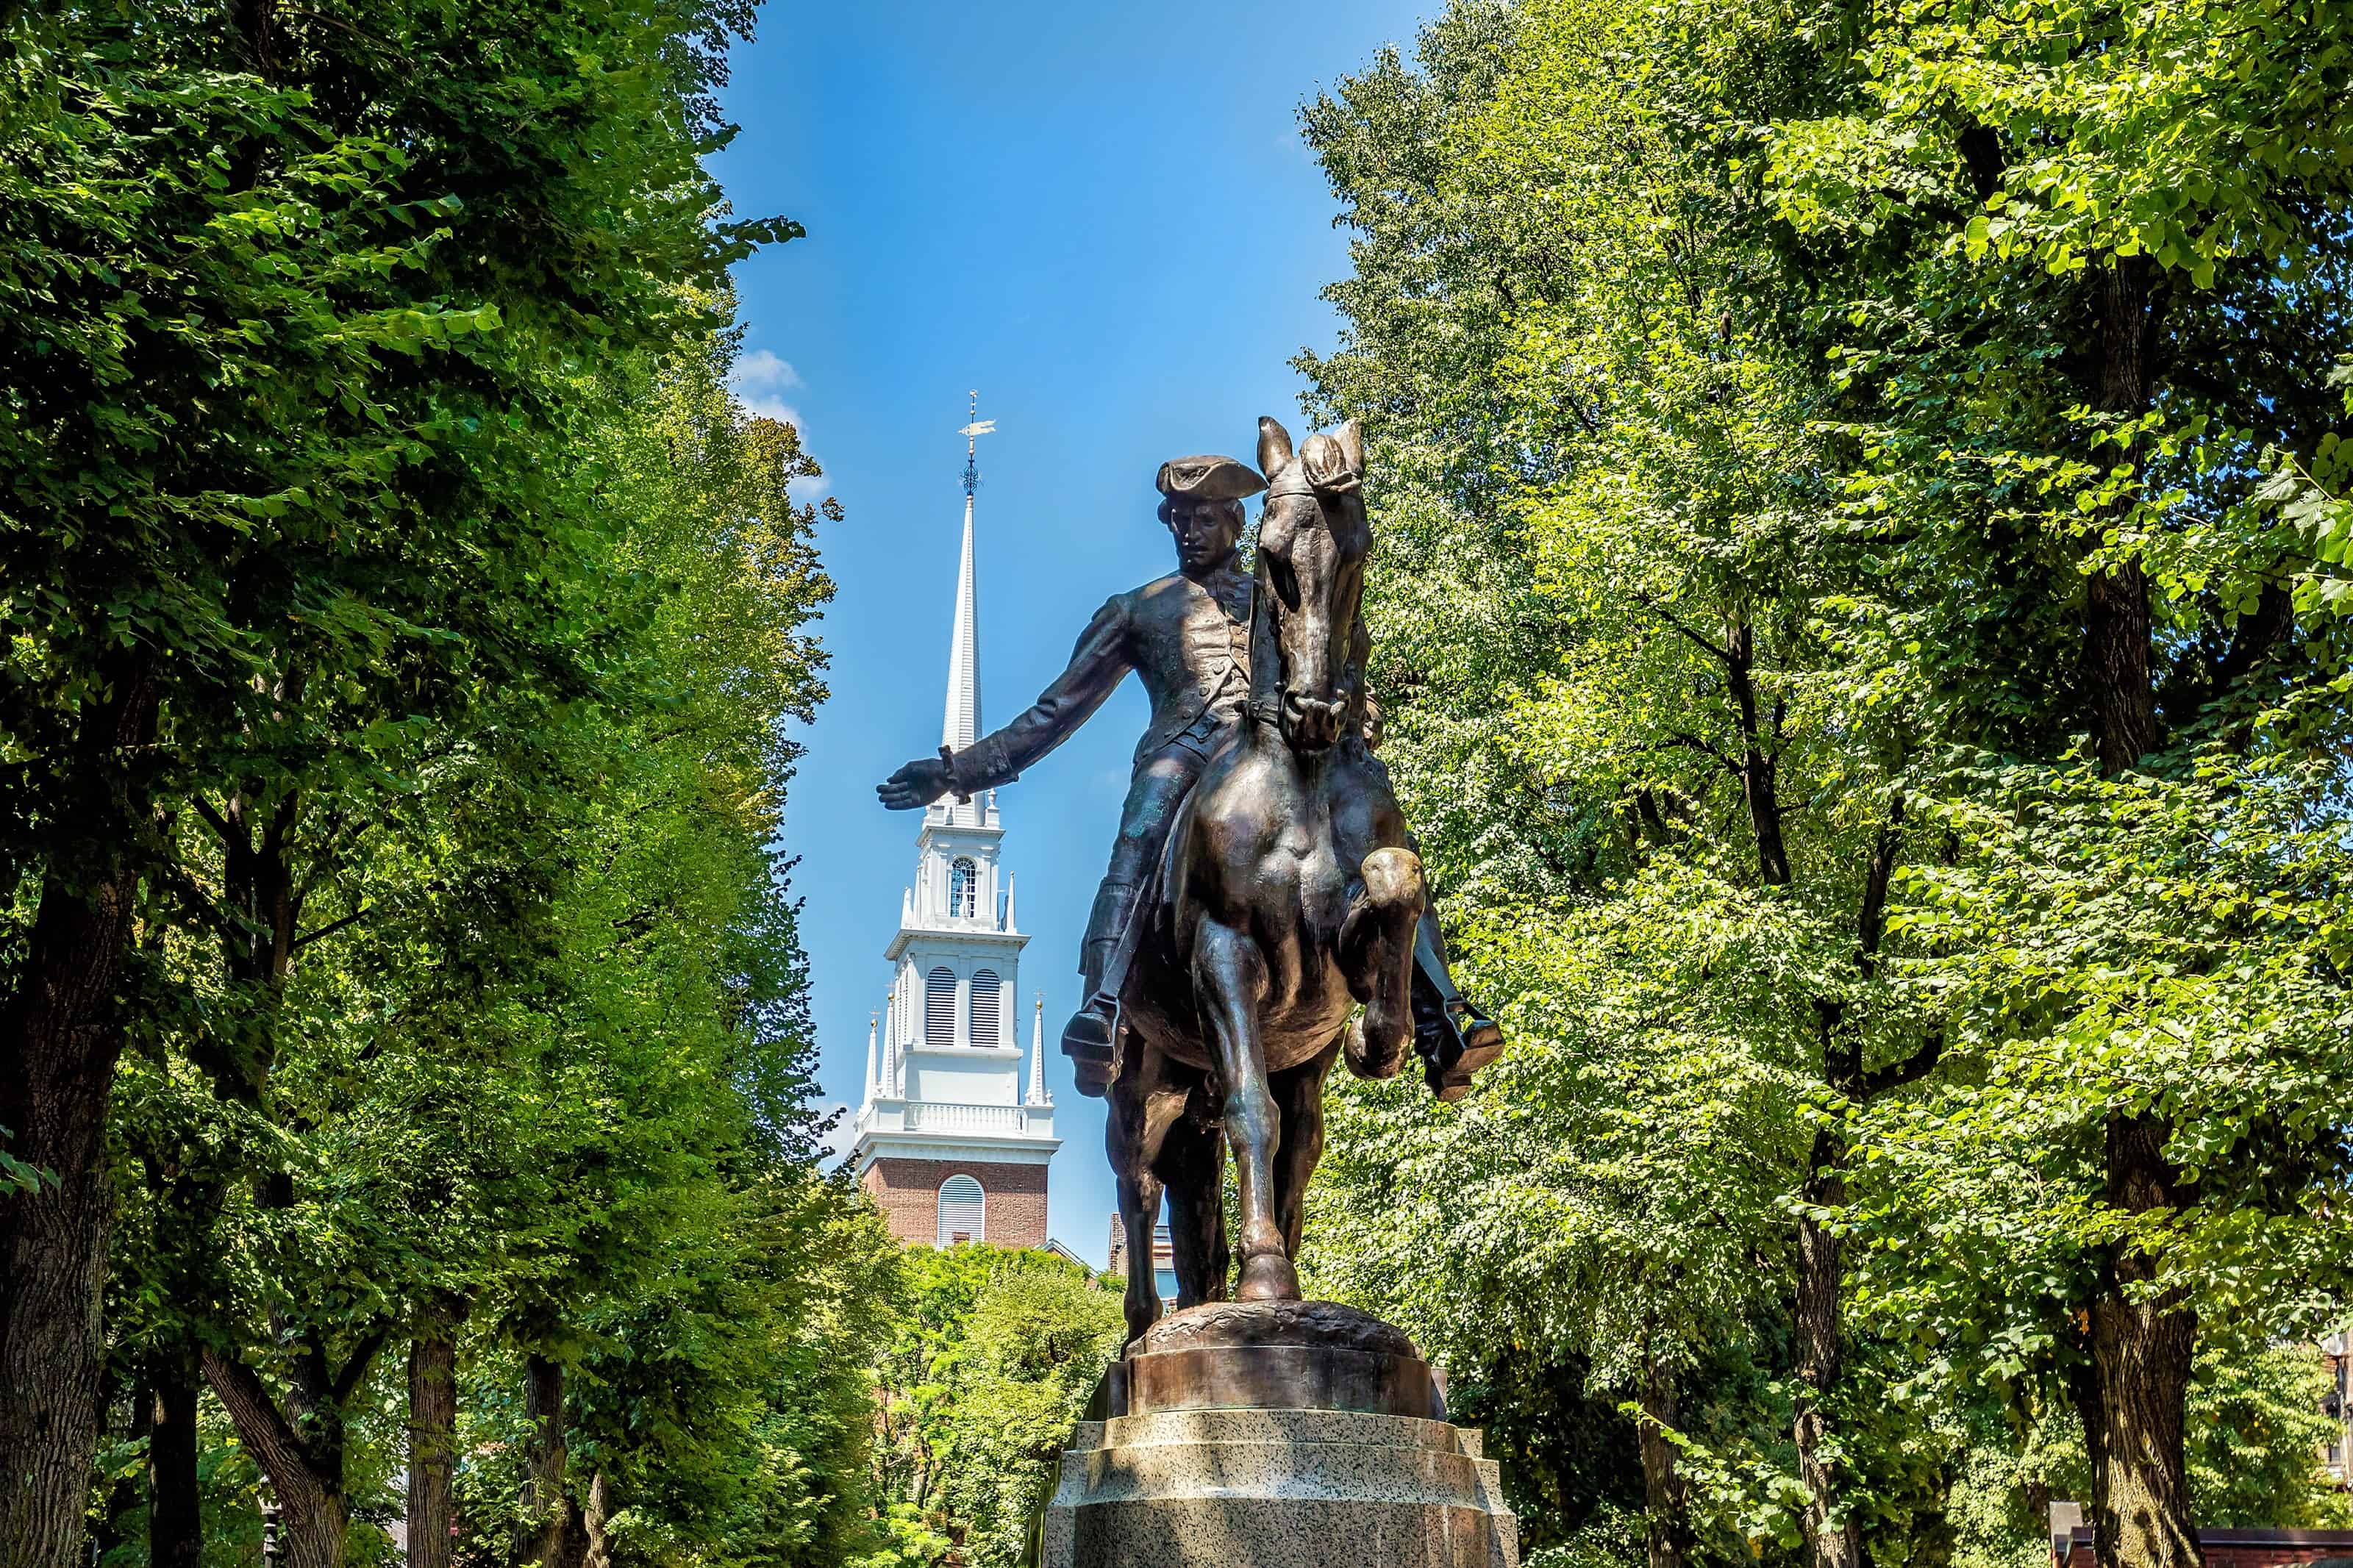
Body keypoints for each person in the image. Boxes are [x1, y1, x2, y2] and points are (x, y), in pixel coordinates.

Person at [877, 452, 1499, 1097]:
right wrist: (956, 774)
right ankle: (1105, 1004)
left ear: (1236, 520)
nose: (1188, 530)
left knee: (1377, 823)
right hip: (1186, 754)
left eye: (1203, 517)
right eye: (1177, 519)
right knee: (1141, 832)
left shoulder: (1278, 592)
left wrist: (1358, 707)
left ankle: (1439, 1013)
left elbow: (1334, 653)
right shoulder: (1137, 610)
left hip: (1281, 758)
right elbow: (1053, 714)